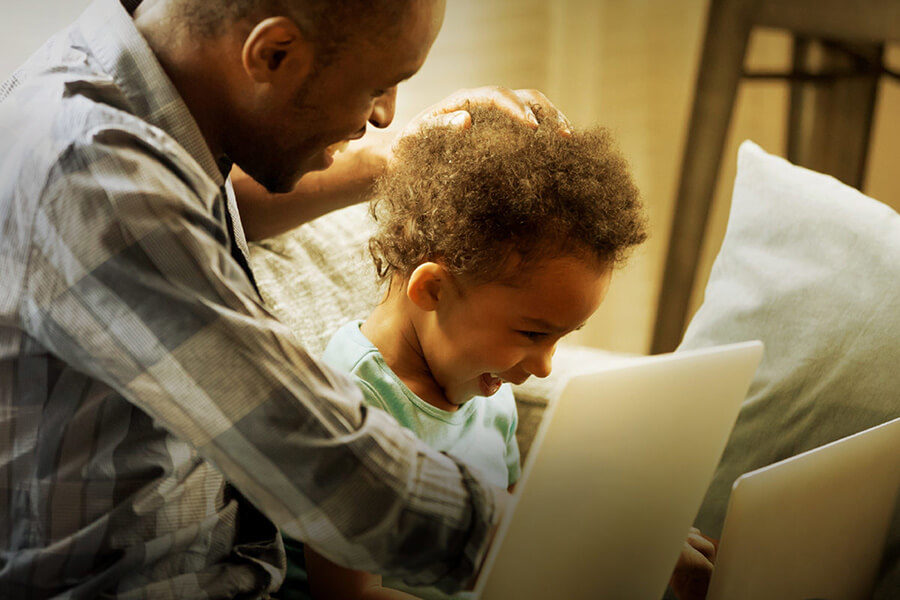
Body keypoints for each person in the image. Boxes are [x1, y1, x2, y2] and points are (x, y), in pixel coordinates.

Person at [0, 0, 573, 597]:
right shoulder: (90, 175)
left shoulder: (127, 92)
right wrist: (567, 544)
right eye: (379, 87)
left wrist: (395, 160)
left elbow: (208, 198)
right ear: (272, 53)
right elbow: (310, 449)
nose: (384, 116)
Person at [290, 107, 714, 600]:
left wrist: (621, 544)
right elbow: (347, 596)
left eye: (562, 336)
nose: (544, 367)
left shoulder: (486, 390)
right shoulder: (351, 401)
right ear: (433, 290)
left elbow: (507, 541)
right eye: (533, 334)